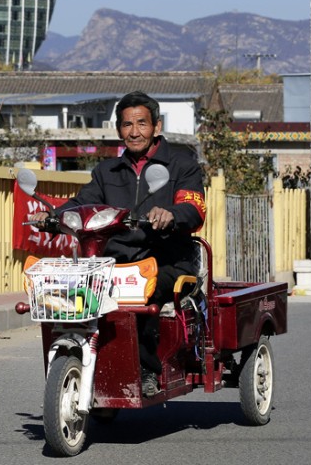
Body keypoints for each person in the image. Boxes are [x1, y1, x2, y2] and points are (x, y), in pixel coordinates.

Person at [29, 91, 206, 397]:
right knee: (71, 294)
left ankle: (148, 369)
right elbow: (82, 204)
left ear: (157, 126)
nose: (134, 132)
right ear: (118, 129)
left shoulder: (182, 164)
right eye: (127, 124)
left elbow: (194, 208)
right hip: (115, 261)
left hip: (168, 258)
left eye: (141, 123)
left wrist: (171, 214)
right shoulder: (105, 172)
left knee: (143, 294)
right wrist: (52, 217)